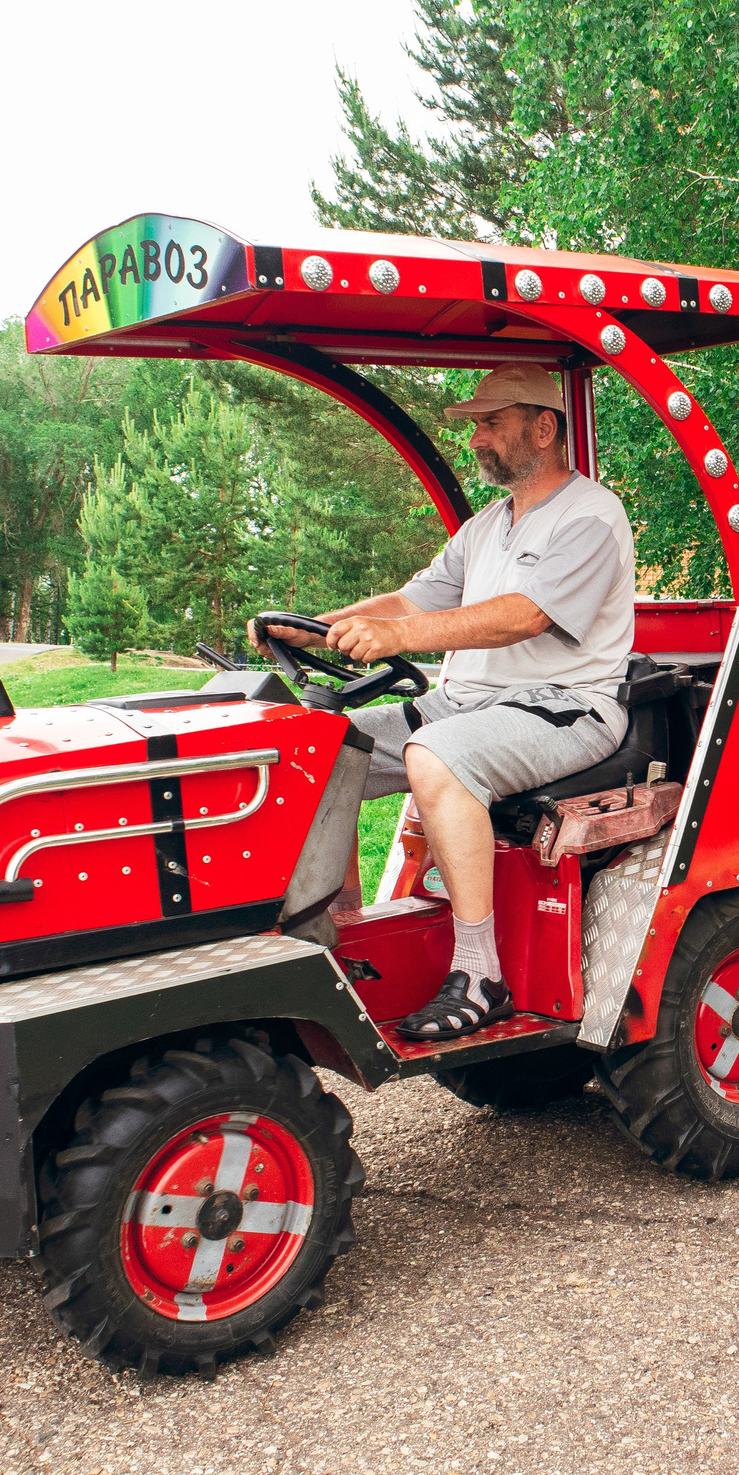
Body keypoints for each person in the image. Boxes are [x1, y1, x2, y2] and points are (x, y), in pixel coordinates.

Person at [257, 364, 634, 1041]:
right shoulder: (486, 526)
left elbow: (524, 614)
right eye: (475, 427)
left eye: (491, 423)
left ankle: (479, 972)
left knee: (435, 757)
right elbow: (411, 600)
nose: (476, 438)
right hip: (470, 703)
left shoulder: (592, 517)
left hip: (566, 708)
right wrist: (316, 623)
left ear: (543, 428)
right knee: (321, 745)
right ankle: (328, 936)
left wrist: (398, 637)